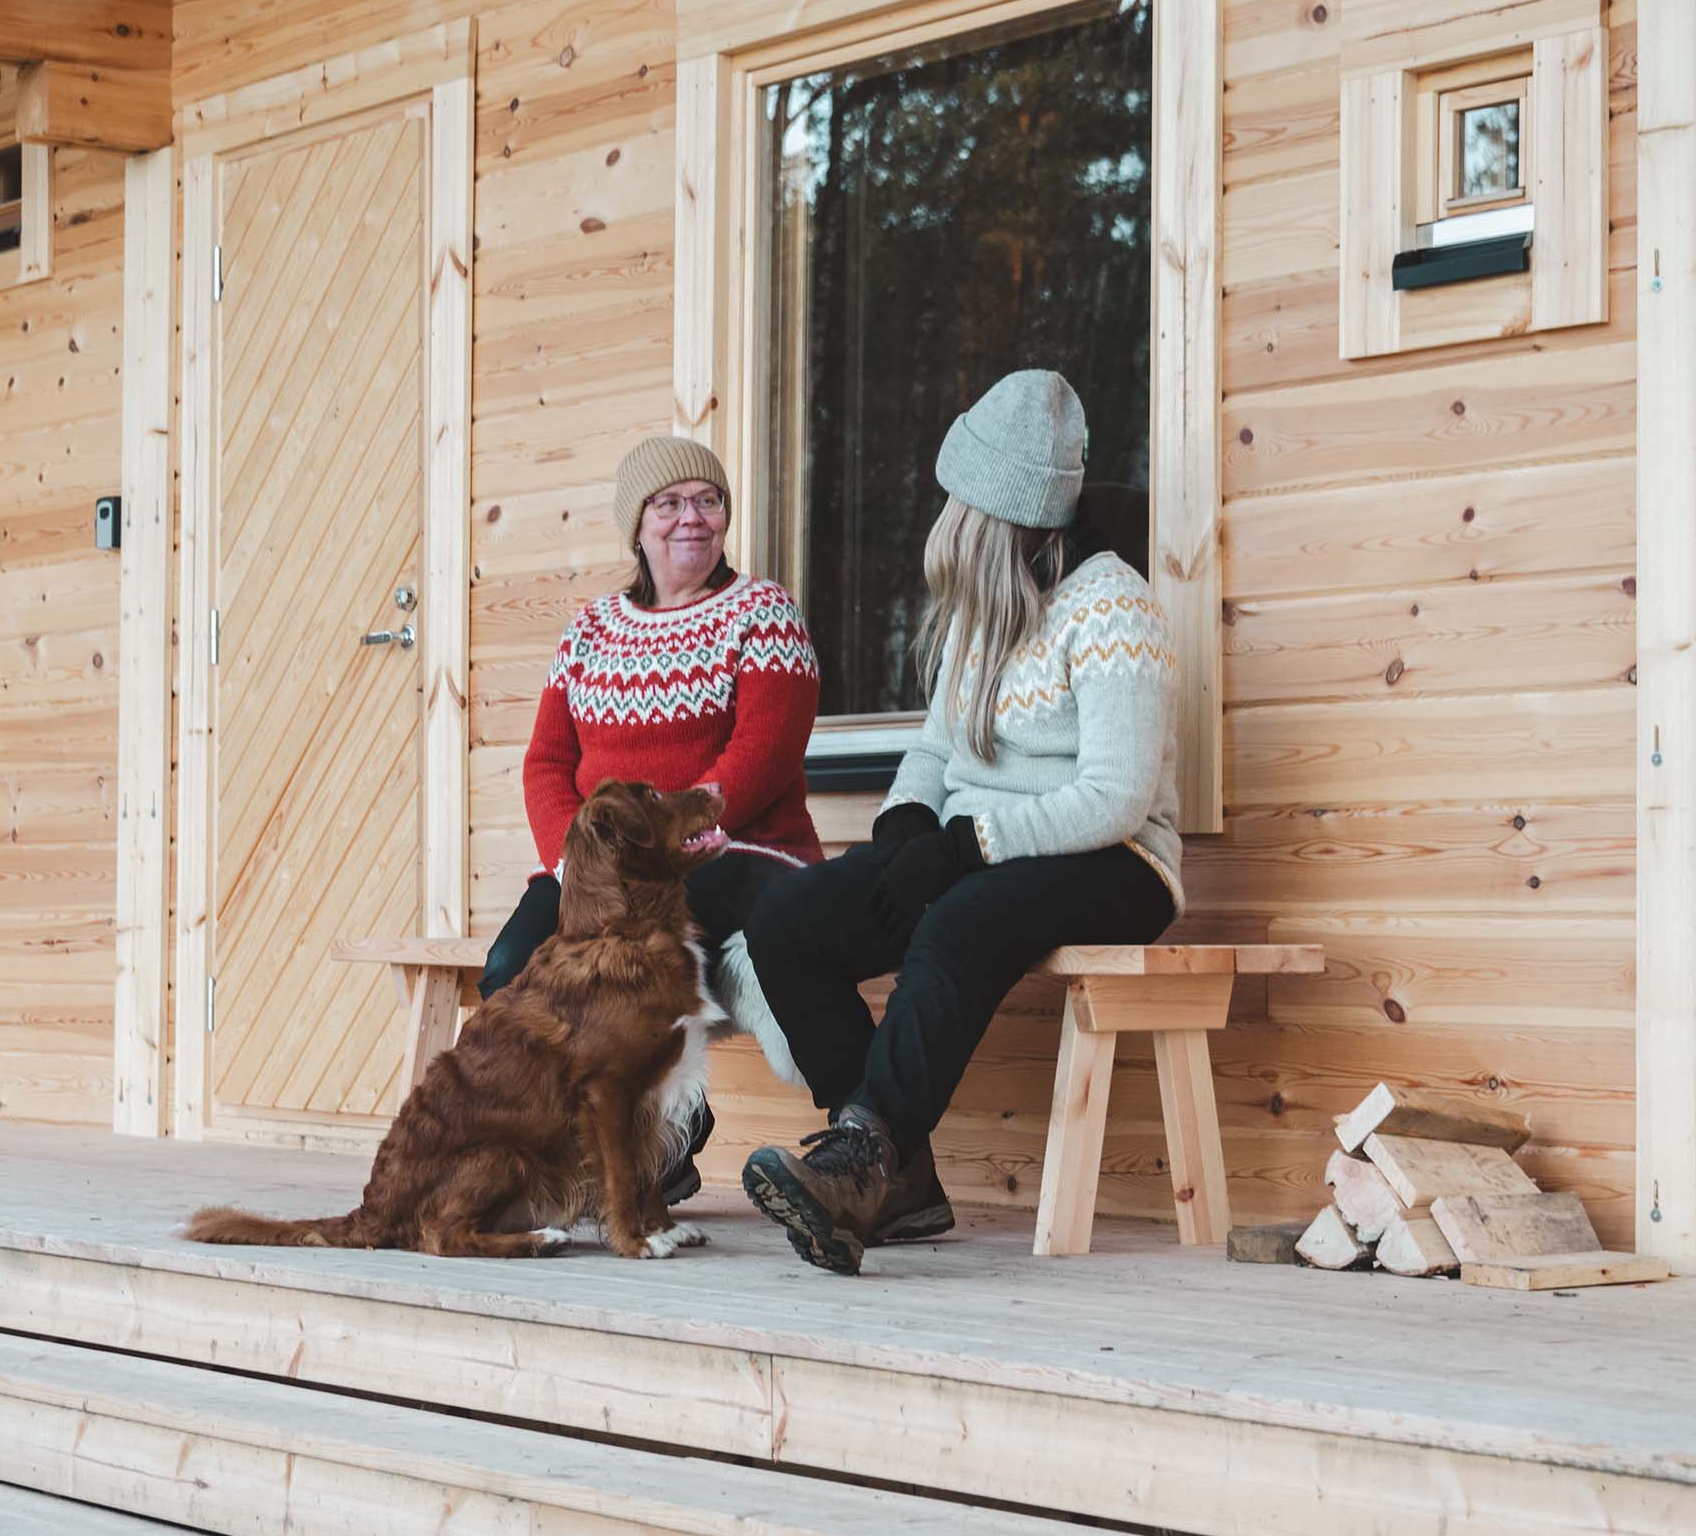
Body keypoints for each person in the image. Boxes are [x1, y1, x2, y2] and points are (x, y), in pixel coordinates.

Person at [738, 370, 1182, 1274]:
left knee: (960, 917)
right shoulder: (986, 611)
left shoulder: (1112, 605)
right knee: (788, 920)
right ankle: (893, 1178)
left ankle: (867, 1148)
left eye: (957, 497)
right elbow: (938, 751)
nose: (943, 515)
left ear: (993, 508)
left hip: (1119, 859)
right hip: (981, 849)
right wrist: (907, 824)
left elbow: (1117, 795)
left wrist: (966, 845)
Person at [486, 435, 824, 1201]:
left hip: (732, 851)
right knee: (511, 970)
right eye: (668, 504)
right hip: (601, 868)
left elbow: (762, 754)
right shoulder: (590, 632)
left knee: (635, 962)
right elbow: (545, 762)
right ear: (636, 525)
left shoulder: (763, 612)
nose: (690, 519)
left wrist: (676, 846)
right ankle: (565, 1158)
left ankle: (670, 1135)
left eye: (707, 501)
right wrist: (575, 867)